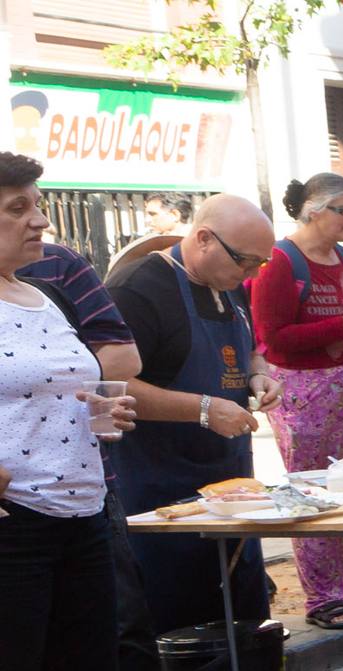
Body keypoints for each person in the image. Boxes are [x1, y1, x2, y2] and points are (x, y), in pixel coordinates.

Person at [0, 151, 156, 671]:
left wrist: (103, 416)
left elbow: (67, 392)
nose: (38, 219)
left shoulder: (40, 295)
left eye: (36, 203)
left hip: (82, 508)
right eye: (16, 208)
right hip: (12, 525)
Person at [104, 194, 285, 641]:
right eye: (246, 262)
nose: (253, 274)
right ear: (204, 238)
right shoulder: (137, 290)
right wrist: (202, 409)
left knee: (241, 592)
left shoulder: (229, 281)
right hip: (160, 485)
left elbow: (250, 348)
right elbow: (111, 384)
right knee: (178, 609)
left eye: (260, 263)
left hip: (230, 480)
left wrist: (258, 376)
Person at [252, 171, 343, 631]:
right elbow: (273, 338)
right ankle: (322, 595)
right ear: (314, 211)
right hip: (304, 390)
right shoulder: (279, 261)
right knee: (311, 489)